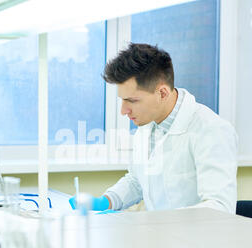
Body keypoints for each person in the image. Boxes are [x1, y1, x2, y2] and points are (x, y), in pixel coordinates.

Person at [70, 43, 238, 214]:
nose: (123, 111)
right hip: (158, 236)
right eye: (122, 100)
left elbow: (219, 207)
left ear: (162, 93)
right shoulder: (148, 124)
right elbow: (137, 181)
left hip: (194, 239)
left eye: (132, 101)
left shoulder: (211, 130)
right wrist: (106, 202)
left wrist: (153, 222)